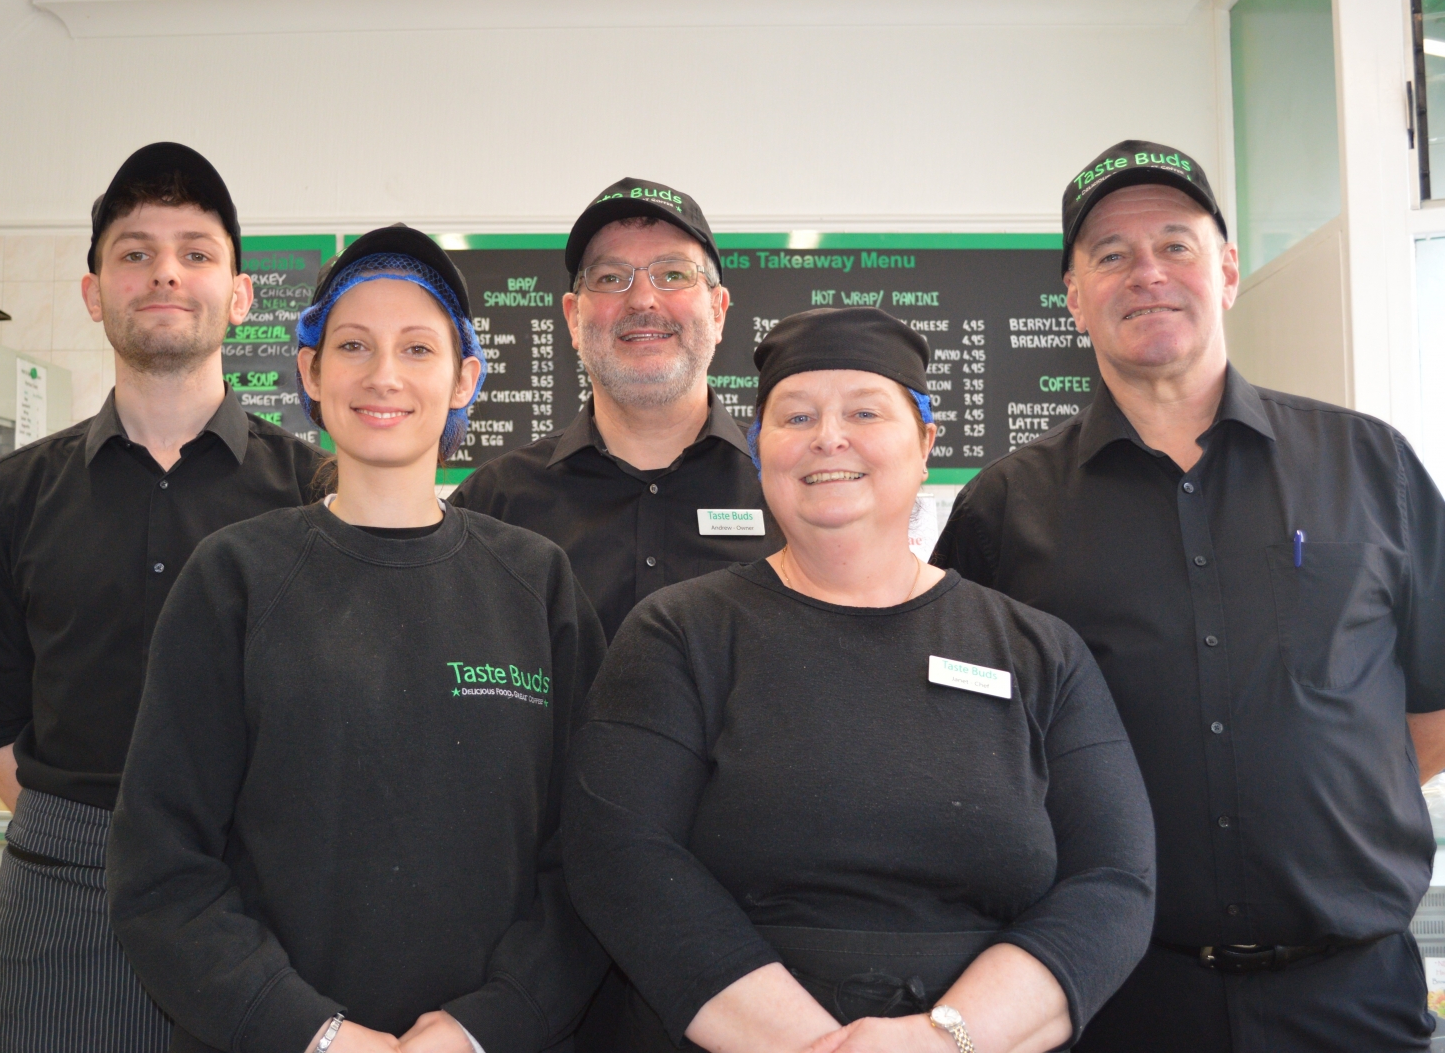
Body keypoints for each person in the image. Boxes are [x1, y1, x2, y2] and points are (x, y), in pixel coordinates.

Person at [931, 140, 1445, 1051]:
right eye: (1112, 255)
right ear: (1073, 297)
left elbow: (1435, 707)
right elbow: (965, 747)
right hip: (1114, 997)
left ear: (1228, 270)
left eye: (1176, 244)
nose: (1148, 274)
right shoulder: (1003, 509)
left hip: (1354, 996)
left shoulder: (1372, 466)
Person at [563, 307, 1156, 1053]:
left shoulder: (1039, 652)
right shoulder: (678, 633)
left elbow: (1113, 882)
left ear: (926, 443)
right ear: (760, 451)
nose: (828, 437)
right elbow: (621, 857)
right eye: (796, 416)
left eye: (865, 412)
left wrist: (945, 1039)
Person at [106, 226, 607, 1053]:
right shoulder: (234, 577)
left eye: (418, 348)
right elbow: (163, 868)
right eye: (353, 346)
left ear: (464, 378)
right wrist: (316, 1034)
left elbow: (588, 855)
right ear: (311, 371)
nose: (384, 376)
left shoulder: (536, 583)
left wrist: (487, 1024)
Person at [0, 142, 326, 1052]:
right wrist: (94, 838)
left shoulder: (316, 495)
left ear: (241, 295)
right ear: (94, 293)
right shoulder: (10, 496)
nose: (165, 272)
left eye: (196, 252)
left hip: (260, 889)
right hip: (64, 894)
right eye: (135, 252)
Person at [450, 178, 780, 643]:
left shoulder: (787, 486)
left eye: (673, 274)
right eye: (610, 278)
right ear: (573, 318)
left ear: (718, 311)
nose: (642, 299)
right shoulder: (492, 504)